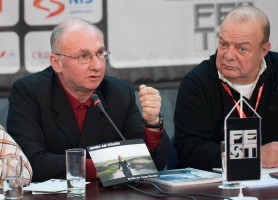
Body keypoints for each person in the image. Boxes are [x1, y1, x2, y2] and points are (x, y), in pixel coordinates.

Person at [7, 19, 169, 182]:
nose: (97, 66)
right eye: (84, 56)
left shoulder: (118, 92)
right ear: (57, 63)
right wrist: (104, 168)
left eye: (100, 54)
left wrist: (152, 123)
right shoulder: (30, 92)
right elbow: (28, 163)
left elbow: (152, 164)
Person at [174, 6, 278, 170]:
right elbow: (190, 151)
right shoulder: (197, 83)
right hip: (215, 186)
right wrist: (253, 155)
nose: (228, 55)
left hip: (276, 183)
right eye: (223, 44)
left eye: (241, 49)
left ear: (263, 50)